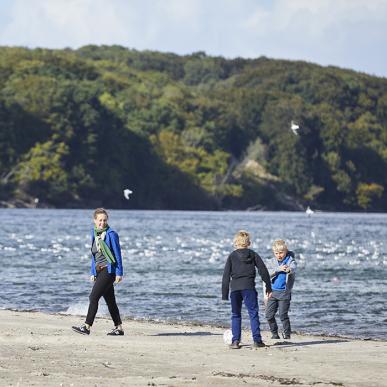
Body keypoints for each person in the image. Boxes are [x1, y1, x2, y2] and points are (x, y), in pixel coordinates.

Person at [72, 208, 124, 336]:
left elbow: (118, 255)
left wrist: (119, 273)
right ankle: (119, 328)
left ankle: (87, 326)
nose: (102, 223)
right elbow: (94, 255)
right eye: (100, 220)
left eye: (104, 220)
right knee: (110, 301)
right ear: (94, 220)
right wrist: (93, 272)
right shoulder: (94, 233)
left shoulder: (112, 234)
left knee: (93, 297)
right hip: (99, 270)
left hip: (109, 270)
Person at [222, 230, 272, 349]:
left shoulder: (232, 256)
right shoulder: (253, 254)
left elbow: (226, 275)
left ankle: (235, 341)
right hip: (249, 288)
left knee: (236, 314)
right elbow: (263, 270)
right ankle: (257, 340)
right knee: (253, 313)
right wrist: (268, 286)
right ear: (248, 243)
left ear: (235, 243)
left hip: (235, 289)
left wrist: (224, 294)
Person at [264, 239, 296, 340]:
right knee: (269, 315)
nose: (279, 255)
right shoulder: (272, 262)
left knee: (283, 315)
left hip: (284, 293)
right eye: (276, 253)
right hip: (272, 292)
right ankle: (274, 333)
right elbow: (266, 274)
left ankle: (287, 334)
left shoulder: (290, 260)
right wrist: (278, 269)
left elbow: (294, 268)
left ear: (286, 251)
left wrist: (289, 270)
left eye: (281, 252)